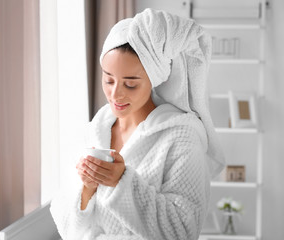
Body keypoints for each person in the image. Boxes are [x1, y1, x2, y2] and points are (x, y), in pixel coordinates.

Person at [50, 8, 225, 240]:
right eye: (108, 79)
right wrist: (87, 190)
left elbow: (182, 231)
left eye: (130, 84)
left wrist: (121, 183)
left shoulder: (181, 136)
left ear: (154, 80)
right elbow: (68, 227)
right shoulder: (96, 130)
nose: (115, 94)